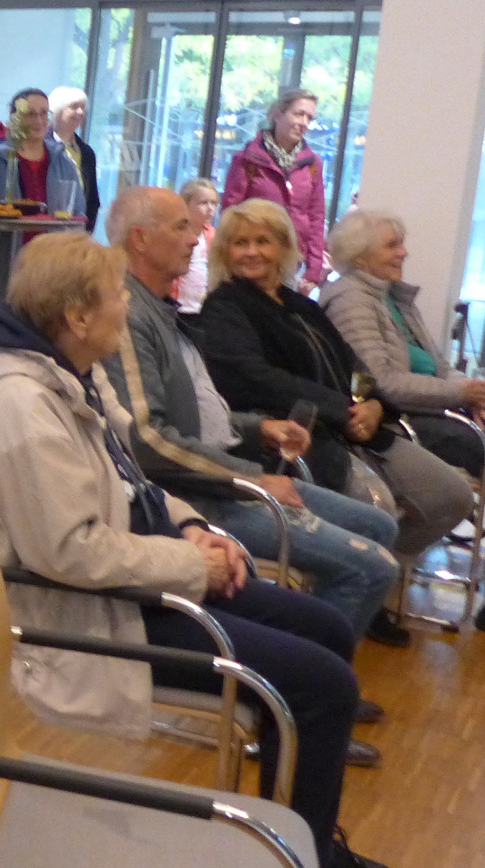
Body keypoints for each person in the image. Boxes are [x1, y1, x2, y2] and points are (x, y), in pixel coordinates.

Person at [0, 231, 410, 868]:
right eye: (113, 297)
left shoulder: (69, 375)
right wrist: (191, 565)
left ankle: (299, 841)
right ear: (76, 317)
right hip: (101, 617)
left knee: (328, 630)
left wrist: (194, 528)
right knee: (323, 685)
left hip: (142, 579)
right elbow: (69, 555)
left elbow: (135, 486)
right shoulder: (22, 407)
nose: (124, 307)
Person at [101, 187, 405, 675]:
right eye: (182, 227)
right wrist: (254, 478)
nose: (196, 238)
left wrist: (259, 426)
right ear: (140, 239)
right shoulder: (131, 314)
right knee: (371, 566)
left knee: (380, 526)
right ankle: (306, 683)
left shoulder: (160, 307)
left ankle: (305, 667)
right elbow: (147, 440)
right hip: (193, 494)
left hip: (222, 475)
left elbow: (201, 414)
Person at [195, 201, 478, 637]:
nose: (251, 252)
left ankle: (368, 585)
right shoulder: (224, 308)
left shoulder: (299, 305)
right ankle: (355, 590)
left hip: (359, 429)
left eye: (263, 241)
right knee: (377, 509)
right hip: (297, 440)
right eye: (240, 243)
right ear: (224, 251)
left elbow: (354, 366)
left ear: (283, 248)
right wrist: (342, 410)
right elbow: (256, 378)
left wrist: (374, 404)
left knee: (451, 495)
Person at [321, 209, 485, 652]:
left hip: (438, 409)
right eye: (392, 245)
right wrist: (458, 392)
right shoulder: (350, 299)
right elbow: (382, 381)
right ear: (361, 256)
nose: (404, 252)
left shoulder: (393, 298)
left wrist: (470, 393)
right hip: (404, 419)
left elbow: (439, 365)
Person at [0, 87, 84, 320]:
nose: (38, 120)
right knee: (2, 333)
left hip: (49, 271)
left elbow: (77, 213)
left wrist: (65, 257)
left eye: (43, 113)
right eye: (30, 114)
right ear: (14, 119)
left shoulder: (63, 164)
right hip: (4, 271)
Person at [223, 88, 328, 290]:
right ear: (278, 114)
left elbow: (316, 217)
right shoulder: (247, 159)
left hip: (291, 261)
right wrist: (227, 259)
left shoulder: (312, 164)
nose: (304, 123)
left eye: (309, 117)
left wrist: (314, 269)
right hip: (252, 259)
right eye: (298, 114)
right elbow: (230, 213)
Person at [47, 85, 101, 233]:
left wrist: (86, 232)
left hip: (77, 229)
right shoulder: (42, 147)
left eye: (83, 108)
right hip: (47, 226)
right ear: (57, 110)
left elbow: (92, 198)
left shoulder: (87, 152)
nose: (81, 112)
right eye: (74, 107)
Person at [174, 176, 218, 315]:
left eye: (214, 203)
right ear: (185, 204)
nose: (210, 208)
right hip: (177, 306)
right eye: (203, 203)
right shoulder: (176, 234)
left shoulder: (213, 235)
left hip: (202, 308)